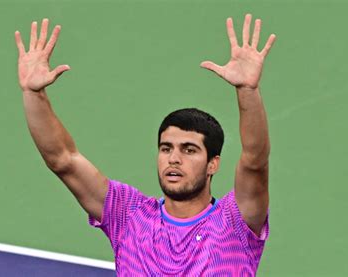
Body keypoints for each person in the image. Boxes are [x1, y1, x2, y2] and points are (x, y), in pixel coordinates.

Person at [14, 13, 276, 276]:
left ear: (213, 163)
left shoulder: (235, 222)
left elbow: (255, 161)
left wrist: (247, 91)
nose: (174, 158)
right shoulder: (129, 215)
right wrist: (34, 94)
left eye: (189, 149)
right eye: (166, 148)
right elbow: (63, 160)